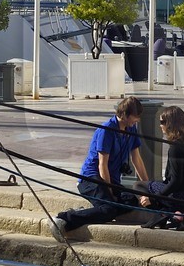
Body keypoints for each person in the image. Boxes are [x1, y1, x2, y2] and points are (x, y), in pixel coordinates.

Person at [51, 96, 149, 239]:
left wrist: (147, 188)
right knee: (108, 209)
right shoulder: (106, 130)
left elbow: (137, 160)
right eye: (135, 116)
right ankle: (63, 219)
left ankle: (84, 212)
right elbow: (102, 164)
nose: (137, 120)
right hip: (91, 178)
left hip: (110, 179)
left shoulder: (131, 129)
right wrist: (110, 191)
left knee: (130, 201)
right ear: (125, 114)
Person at [137, 106, 184, 230]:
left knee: (139, 186)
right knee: (154, 186)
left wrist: (153, 198)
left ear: (170, 124)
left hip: (183, 197)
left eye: (162, 122)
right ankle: (176, 215)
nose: (160, 125)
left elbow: (175, 181)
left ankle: (164, 214)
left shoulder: (175, 147)